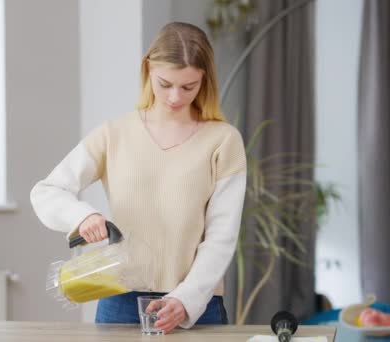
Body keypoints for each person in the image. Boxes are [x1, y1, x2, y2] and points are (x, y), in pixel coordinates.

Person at [30, 22, 246, 333]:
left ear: (204, 81)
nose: (174, 97)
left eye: (189, 87)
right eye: (165, 83)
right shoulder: (114, 134)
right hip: (119, 300)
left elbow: (221, 237)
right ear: (148, 69)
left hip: (196, 305)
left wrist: (185, 299)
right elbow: (46, 191)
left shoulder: (223, 140)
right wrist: (84, 215)